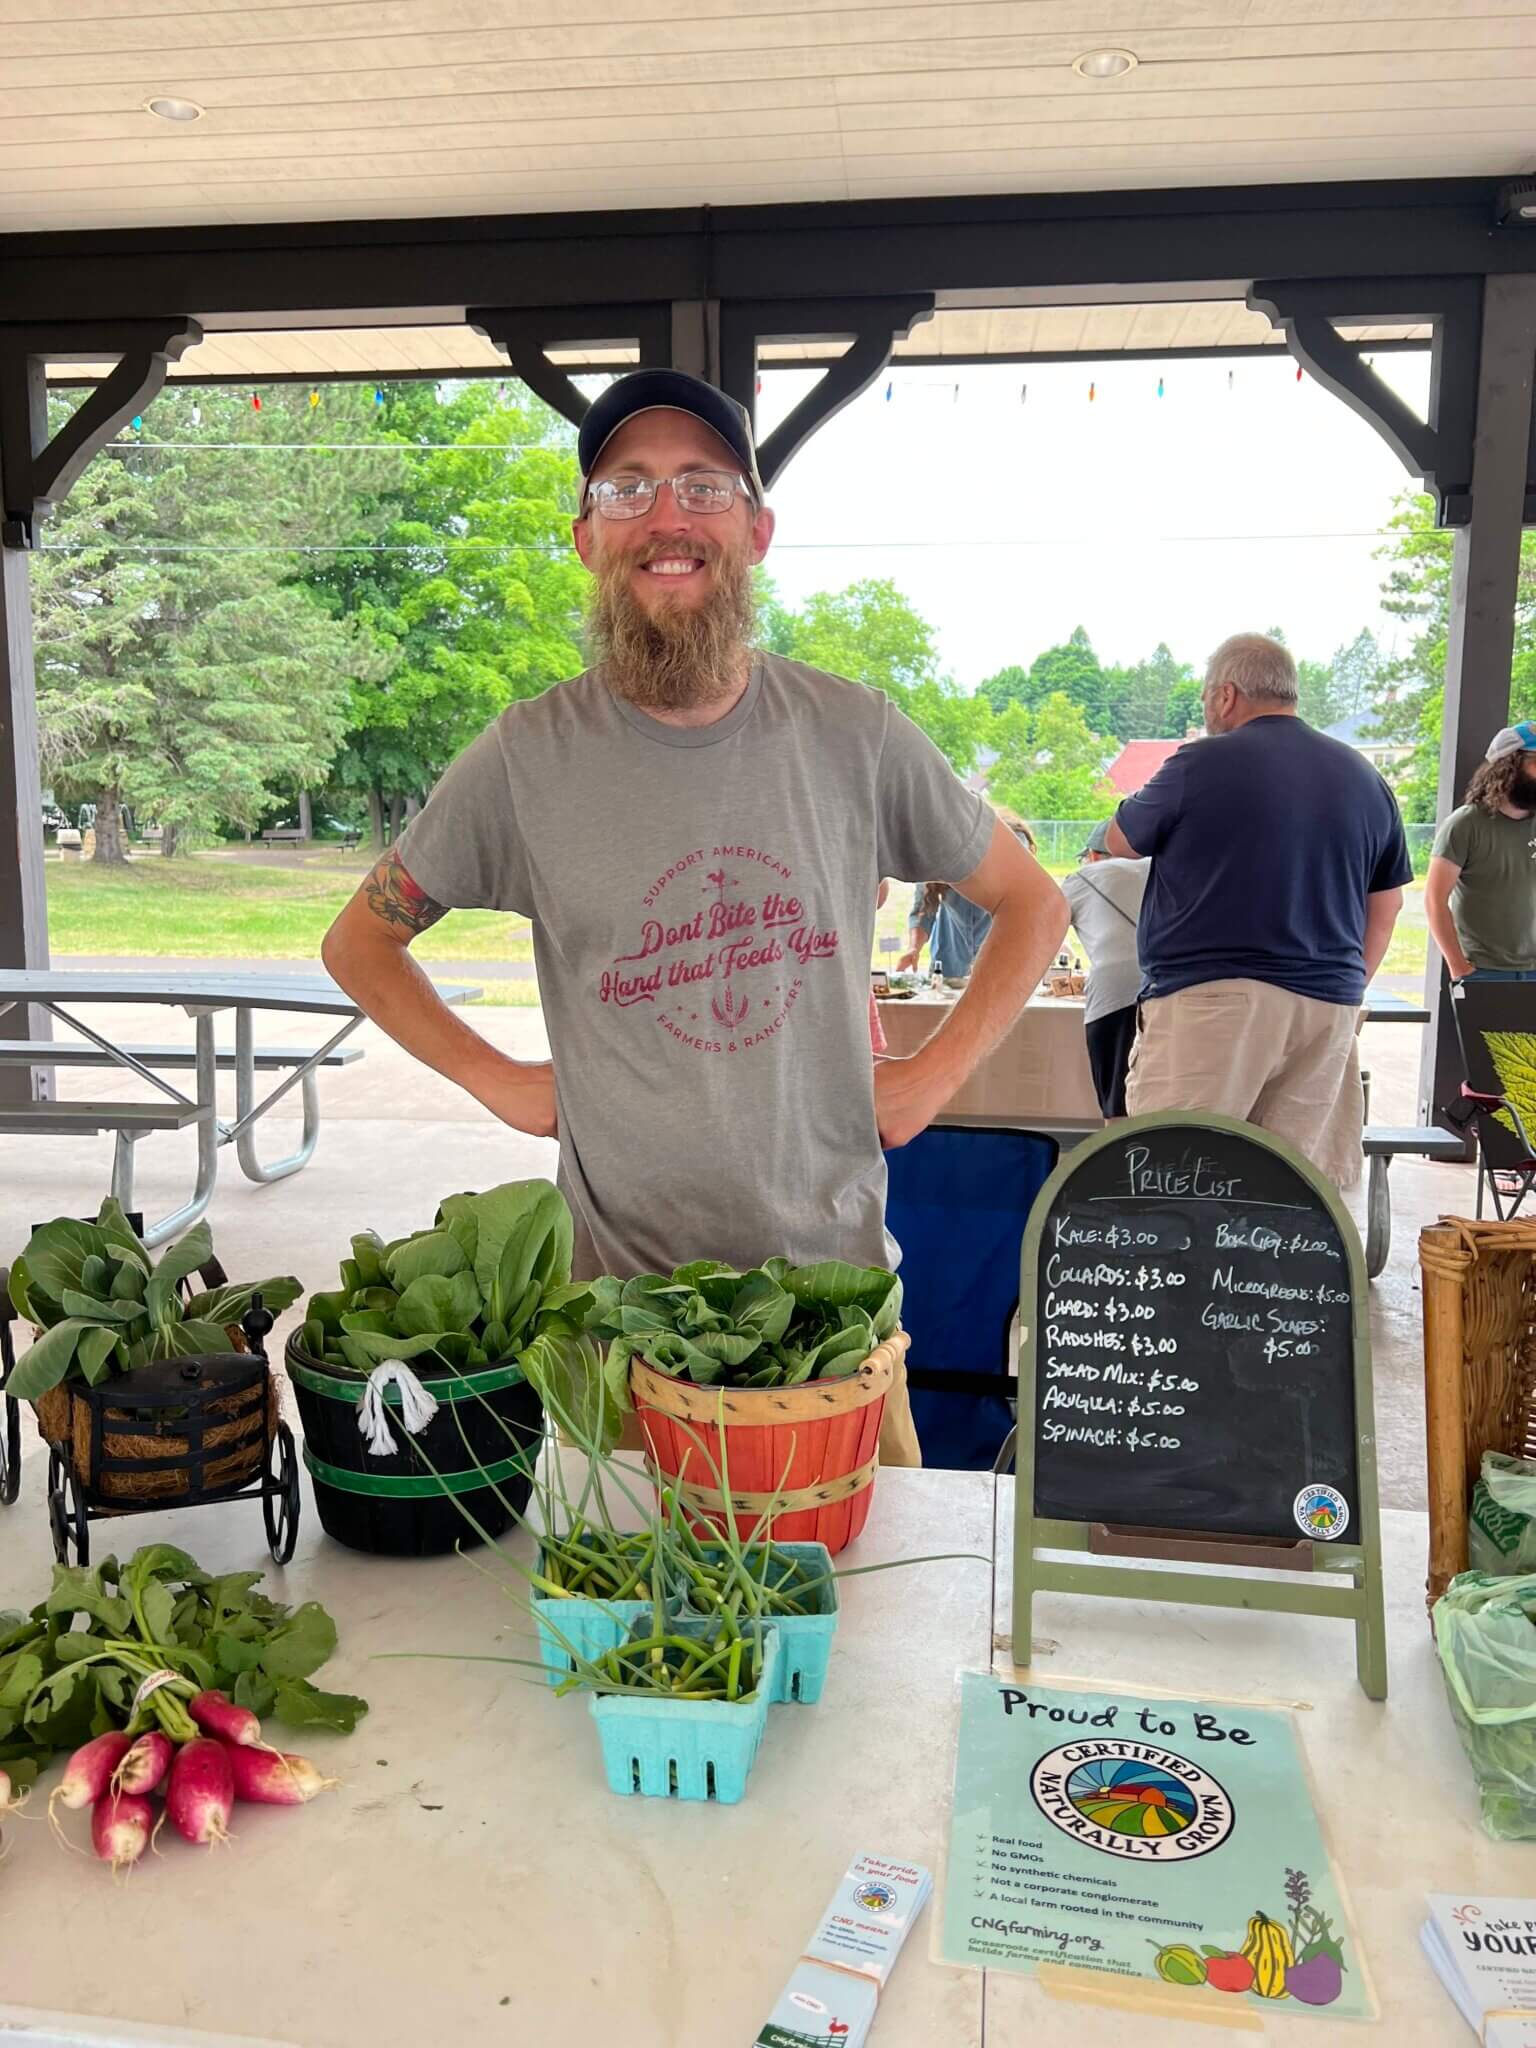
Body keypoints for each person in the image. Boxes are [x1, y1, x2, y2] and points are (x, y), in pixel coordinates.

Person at [321, 367, 1069, 1456]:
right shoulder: (526, 758)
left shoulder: (854, 735)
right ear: (587, 538)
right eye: (628, 488)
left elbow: (1033, 906)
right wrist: (502, 1080)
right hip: (619, 1335)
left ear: (757, 529)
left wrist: (925, 1081)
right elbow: (361, 941)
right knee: (635, 1624)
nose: (666, 517)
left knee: (867, 1613)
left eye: (702, 486)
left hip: (833, 1329)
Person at [1106, 632, 1410, 1183]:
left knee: (1180, 1177)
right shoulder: (1366, 777)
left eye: (1205, 698)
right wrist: (1346, 987)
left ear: (1225, 695)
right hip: (1328, 1007)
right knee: (1295, 1194)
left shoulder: (1200, 761)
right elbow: (1386, 903)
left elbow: (1121, 840)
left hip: (1212, 1000)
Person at [1426, 722, 1536, 984]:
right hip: (1483, 972)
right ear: (1508, 765)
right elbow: (1434, 899)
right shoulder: (1464, 825)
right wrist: (1458, 966)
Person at [1060, 818, 1149, 1118]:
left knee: (1116, 1096)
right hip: (1169, 982)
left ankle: (1118, 1151)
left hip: (1113, 992)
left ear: (1094, 855)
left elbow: (1044, 936)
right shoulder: (1157, 867)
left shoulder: (1082, 877)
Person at [898, 822, 1038, 981]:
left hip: (999, 969)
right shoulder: (938, 849)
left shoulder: (1011, 842)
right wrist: (914, 948)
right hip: (948, 967)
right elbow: (923, 910)